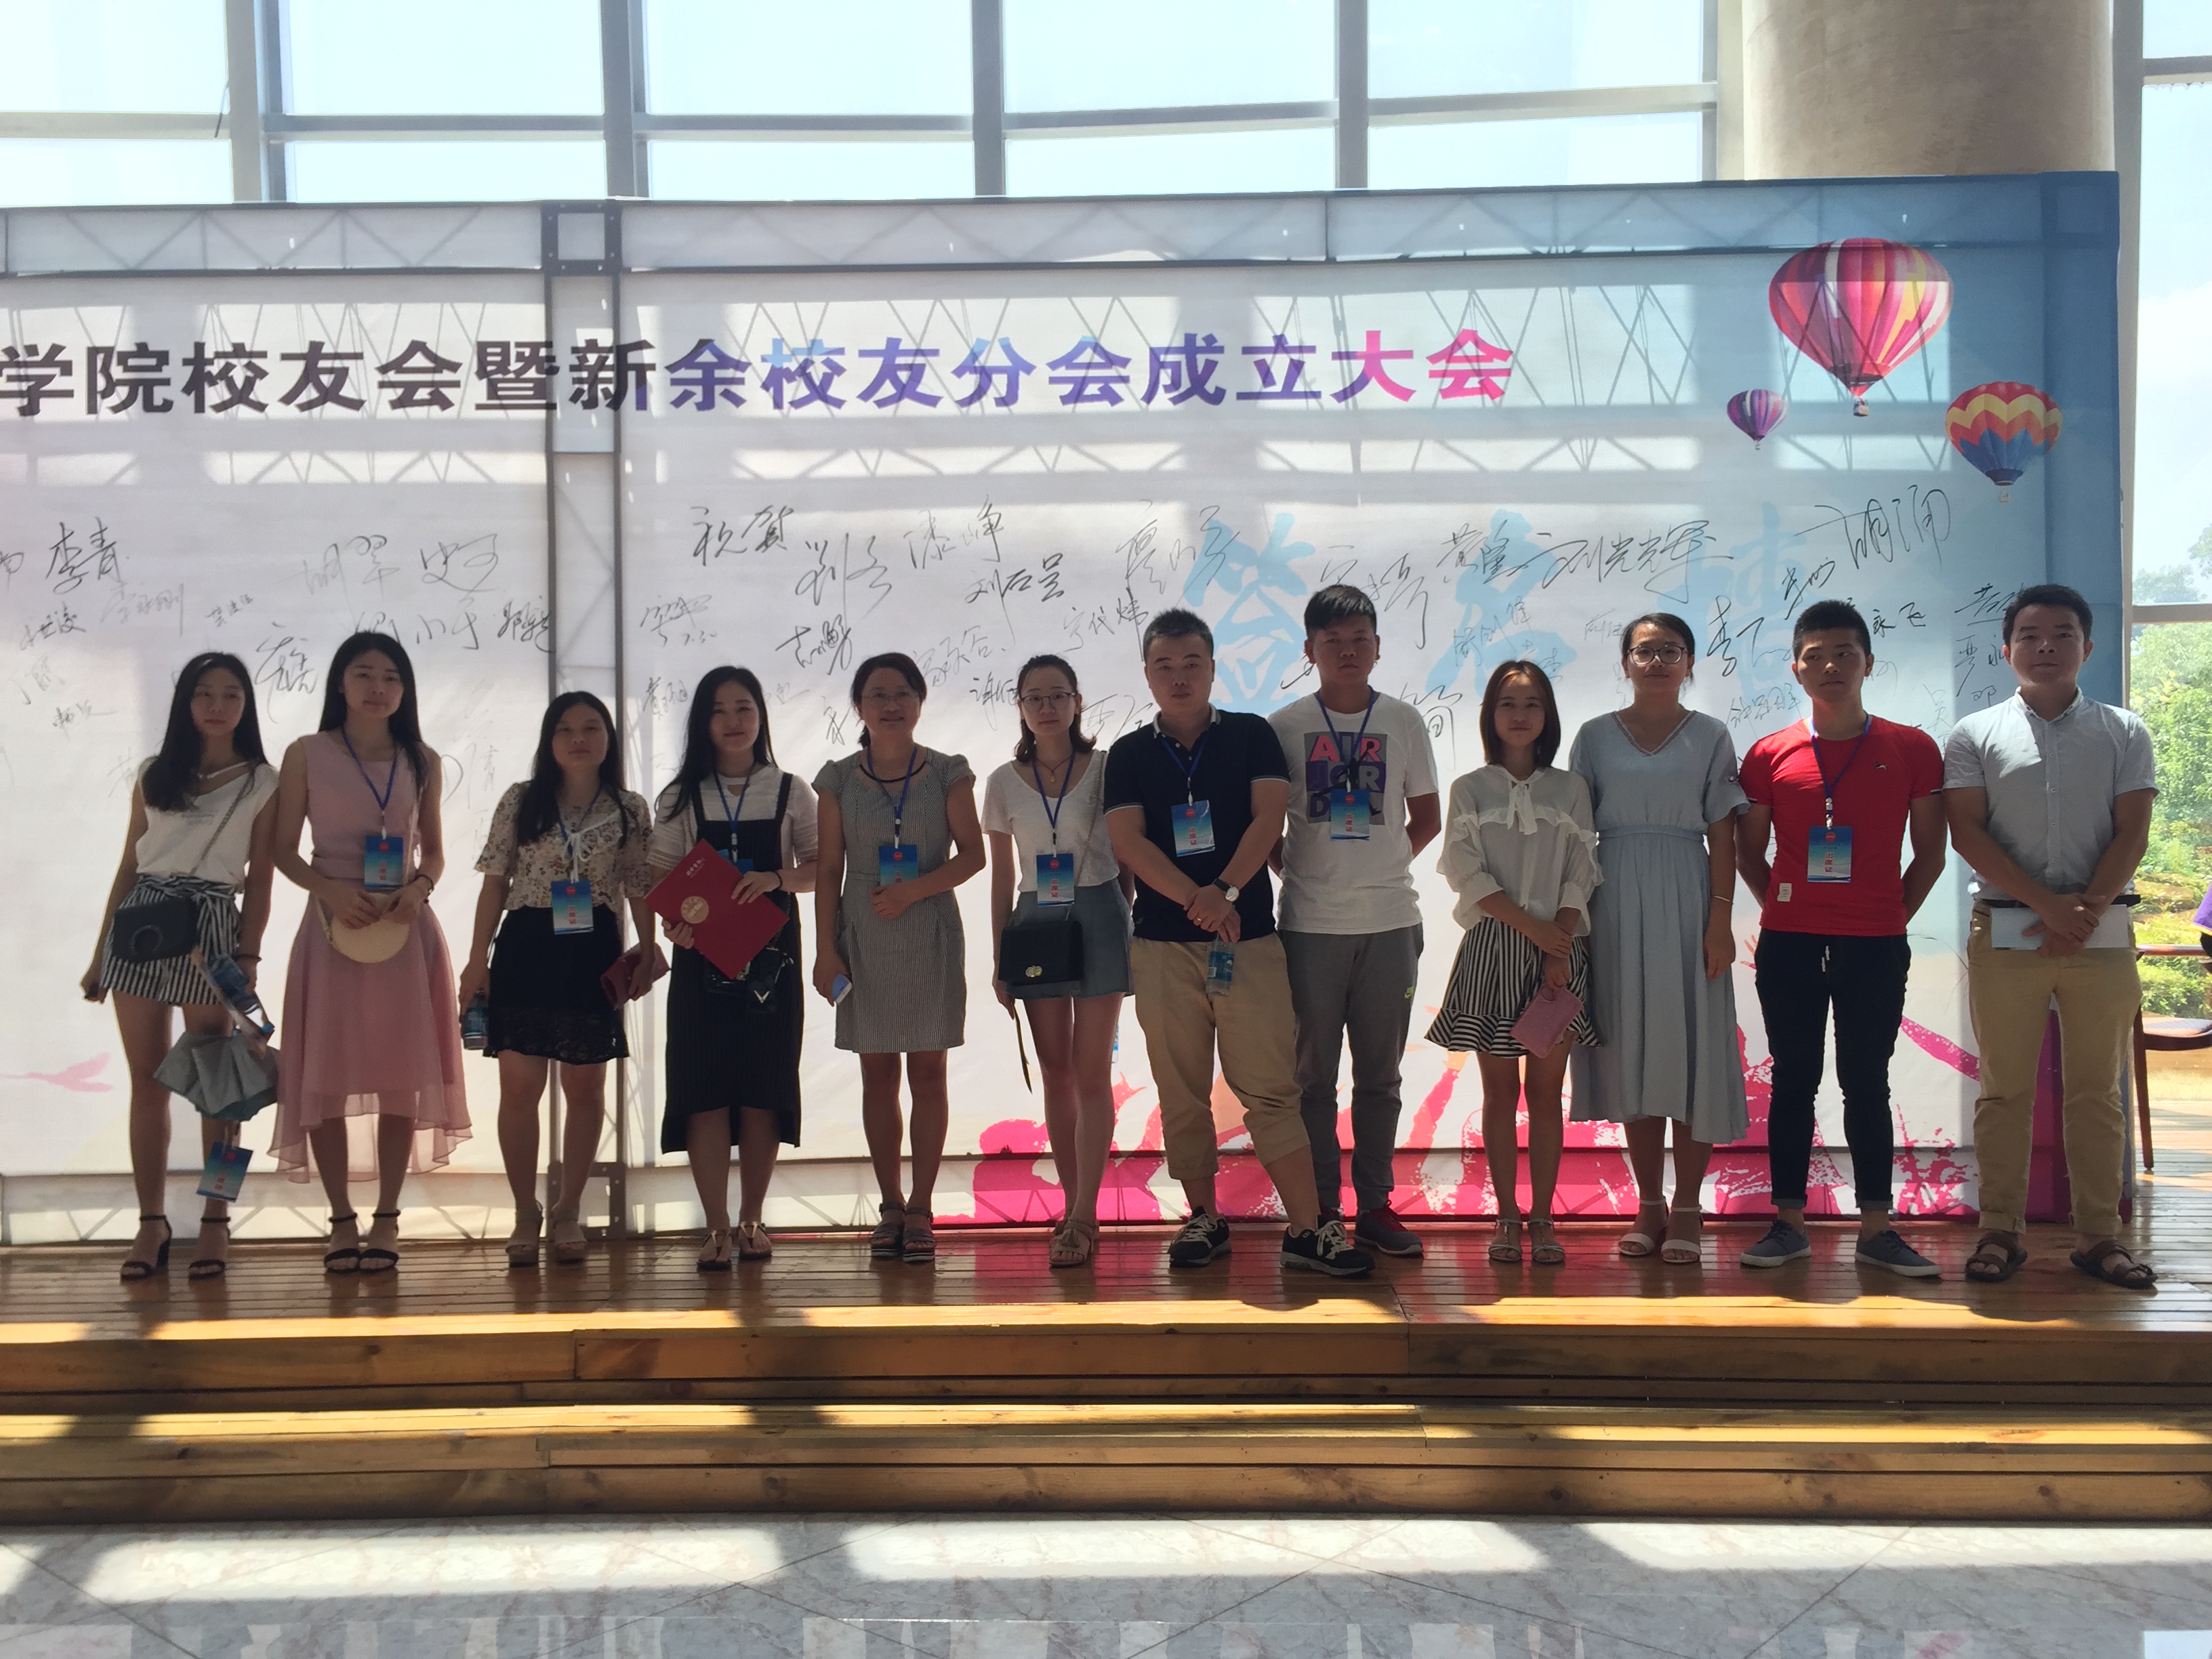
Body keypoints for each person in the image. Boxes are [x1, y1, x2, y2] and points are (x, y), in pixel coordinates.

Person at [1105, 608, 1375, 1277]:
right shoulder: (1130, 754)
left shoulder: (1252, 735)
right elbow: (1128, 842)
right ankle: (1203, 1217)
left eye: (1191, 663)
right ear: (1147, 675)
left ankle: (1307, 1229)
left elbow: (1269, 818)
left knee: (1272, 1090)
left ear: (1212, 668)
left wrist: (1223, 891)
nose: (1179, 677)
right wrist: (1195, 899)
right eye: (1164, 666)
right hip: (1163, 947)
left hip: (1247, 940)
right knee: (1181, 1090)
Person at [1945, 583, 2156, 1290]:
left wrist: (2085, 910)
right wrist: (2049, 907)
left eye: (2063, 634)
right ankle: (2000, 1229)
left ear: (2087, 647)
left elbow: (2133, 831)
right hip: (2007, 929)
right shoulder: (1974, 734)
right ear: (2006, 649)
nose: (2046, 647)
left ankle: (2100, 1235)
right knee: (2004, 1090)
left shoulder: (2125, 731)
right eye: (2030, 635)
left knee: (2098, 1090)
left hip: (2104, 932)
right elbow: (1967, 832)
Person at [1735, 601, 1948, 1278]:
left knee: (1866, 1082)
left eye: (1845, 653)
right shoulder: (1768, 754)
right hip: (1790, 945)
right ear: (1797, 669)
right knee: (1794, 1080)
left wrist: (1886, 916)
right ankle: (1788, 1224)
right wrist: (1785, 911)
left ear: (1868, 664)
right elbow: (1748, 852)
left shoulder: (1913, 748)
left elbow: (1931, 854)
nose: (1831, 665)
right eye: (1816, 655)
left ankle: (1877, 1229)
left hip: (1875, 945)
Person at [270, 632, 468, 1273]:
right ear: (341, 683)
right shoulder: (306, 753)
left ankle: (387, 1217)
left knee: (401, 1075)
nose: (378, 688)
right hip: (331, 932)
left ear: (405, 690)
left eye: (391, 677)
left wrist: (419, 889)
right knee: (324, 1077)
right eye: (364, 674)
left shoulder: (422, 759)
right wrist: (328, 890)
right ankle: (340, 1219)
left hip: (404, 931)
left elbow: (435, 852)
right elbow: (281, 851)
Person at [83, 652, 281, 1282]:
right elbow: (129, 863)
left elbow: (263, 877)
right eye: (204, 693)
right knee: (147, 1084)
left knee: (221, 1085)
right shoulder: (155, 773)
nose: (218, 705)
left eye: (231, 694)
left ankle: (217, 1219)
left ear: (246, 706)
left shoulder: (264, 780)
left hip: (213, 926)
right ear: (186, 702)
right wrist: (99, 953)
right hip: (141, 924)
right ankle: (151, 1222)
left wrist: (248, 955)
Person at [1568, 613, 1748, 1265]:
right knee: (1632, 1050)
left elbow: (1723, 833)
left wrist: (1721, 920)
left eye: (1671, 651)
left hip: (1688, 895)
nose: (1657, 661)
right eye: (1644, 651)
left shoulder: (1712, 734)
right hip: (1612, 896)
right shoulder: (1593, 736)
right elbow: (1574, 832)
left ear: (1690, 662)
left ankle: (1690, 1207)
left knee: (1691, 1048)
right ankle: (1649, 1204)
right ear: (1625, 662)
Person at [1269, 586, 1441, 1259]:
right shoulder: (1283, 727)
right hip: (1310, 925)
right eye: (1332, 641)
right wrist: (1301, 872)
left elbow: (1426, 817)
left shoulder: (1403, 721)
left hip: (1390, 921)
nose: (1347, 651)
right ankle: (1320, 1210)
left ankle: (1375, 1206)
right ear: (1309, 650)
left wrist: (1382, 866)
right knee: (1312, 1079)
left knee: (1380, 1077)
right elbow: (1265, 825)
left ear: (1377, 647)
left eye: (1359, 639)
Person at [458, 692, 657, 1270]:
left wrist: (649, 948)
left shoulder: (629, 808)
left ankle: (568, 1208)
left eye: (592, 728)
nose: (578, 739)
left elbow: (639, 883)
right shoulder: (521, 800)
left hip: (592, 950)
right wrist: (475, 960)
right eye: (565, 729)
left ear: (608, 739)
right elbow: (494, 880)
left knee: (585, 1087)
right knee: (520, 1088)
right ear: (549, 740)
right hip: (526, 945)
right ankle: (526, 1211)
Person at [813, 653, 984, 1266]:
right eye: (878, 694)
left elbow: (974, 857)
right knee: (877, 1075)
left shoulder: (948, 771)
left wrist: (914, 890)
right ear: (859, 706)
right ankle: (889, 1205)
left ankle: (921, 1207)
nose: (891, 705)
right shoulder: (836, 779)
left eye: (903, 693)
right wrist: (825, 948)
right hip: (863, 933)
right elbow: (828, 870)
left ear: (920, 701)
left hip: (928, 926)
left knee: (929, 1073)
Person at [1429, 660, 1601, 1267]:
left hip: (1560, 949)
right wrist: (1538, 933)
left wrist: (1560, 941)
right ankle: (1506, 1216)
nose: (1520, 715)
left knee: (1547, 1095)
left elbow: (1583, 870)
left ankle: (1544, 1218)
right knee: (1500, 1093)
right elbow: (1465, 872)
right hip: (1495, 948)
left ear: (1548, 714)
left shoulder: (1571, 788)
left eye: (1532, 703)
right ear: (1490, 715)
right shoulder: (1470, 788)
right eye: (1508, 703)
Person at [651, 668, 819, 1269]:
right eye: (719, 710)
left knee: (763, 1087)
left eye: (744, 707)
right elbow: (660, 878)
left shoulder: (791, 790)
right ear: (702, 722)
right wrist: (673, 924)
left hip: (772, 959)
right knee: (704, 1089)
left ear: (761, 716)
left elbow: (822, 868)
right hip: (701, 957)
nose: (733, 721)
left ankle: (751, 1219)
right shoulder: (679, 797)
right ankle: (715, 1227)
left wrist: (776, 878)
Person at [983, 655, 1134, 1269]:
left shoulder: (1107, 768)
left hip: (1099, 913)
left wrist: (1121, 914)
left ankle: (1085, 1215)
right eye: (1034, 697)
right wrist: (1000, 958)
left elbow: (1128, 856)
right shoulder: (1001, 781)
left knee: (1092, 1072)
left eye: (1058, 695)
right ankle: (1072, 1205)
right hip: (1034, 924)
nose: (1047, 707)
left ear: (1078, 702)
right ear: (1020, 707)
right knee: (1057, 1074)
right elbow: (1001, 878)